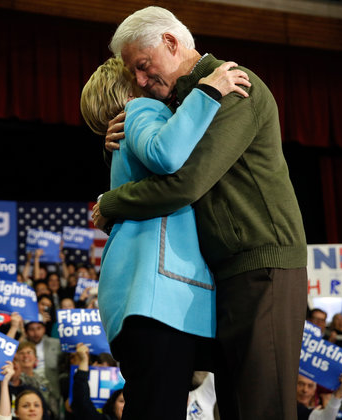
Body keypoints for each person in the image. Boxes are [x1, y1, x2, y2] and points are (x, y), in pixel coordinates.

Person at [91, 6, 308, 420]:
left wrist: (111, 203)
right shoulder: (182, 104)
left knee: (262, 408)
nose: (138, 81)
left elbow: (184, 184)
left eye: (142, 66)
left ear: (171, 43)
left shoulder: (231, 85)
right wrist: (116, 150)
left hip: (262, 269)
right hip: (225, 274)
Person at [81, 48, 247, 418]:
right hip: (156, 299)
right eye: (138, 73)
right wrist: (208, 92)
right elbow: (166, 154)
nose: (148, 79)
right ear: (127, 90)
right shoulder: (142, 110)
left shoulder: (125, 135)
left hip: (135, 299)